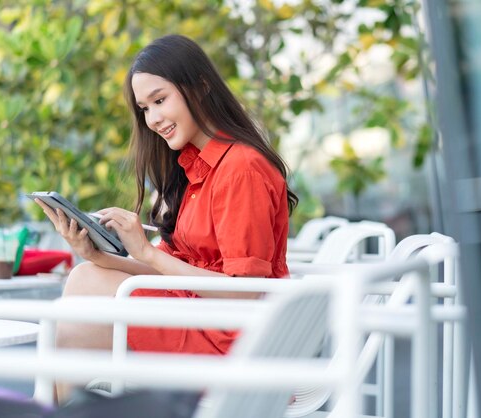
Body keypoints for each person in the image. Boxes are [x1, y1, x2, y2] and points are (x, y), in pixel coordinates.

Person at [34, 34, 297, 403]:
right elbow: (176, 276)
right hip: (201, 323)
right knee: (87, 275)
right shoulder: (193, 170)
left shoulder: (241, 169)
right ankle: (63, 408)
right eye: (144, 108)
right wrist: (99, 256)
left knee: (88, 291)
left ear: (201, 87)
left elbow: (243, 292)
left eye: (161, 100)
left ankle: (58, 408)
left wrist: (148, 252)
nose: (153, 119)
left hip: (237, 348)